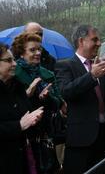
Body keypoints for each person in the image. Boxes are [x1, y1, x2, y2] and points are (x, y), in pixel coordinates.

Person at [55, 24, 105, 174]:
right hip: (81, 141)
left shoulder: (101, 64)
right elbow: (66, 91)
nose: (99, 43)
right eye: (94, 39)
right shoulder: (65, 65)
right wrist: (91, 76)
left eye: (99, 39)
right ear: (81, 41)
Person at [11, 32, 65, 174]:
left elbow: (59, 102)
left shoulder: (47, 74)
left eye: (39, 49)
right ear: (21, 53)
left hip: (45, 134)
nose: (38, 53)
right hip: (22, 136)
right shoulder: (12, 73)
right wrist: (29, 93)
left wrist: (47, 98)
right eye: (32, 50)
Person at [0, 43, 43, 174]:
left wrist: (34, 117)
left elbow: (26, 113)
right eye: (8, 60)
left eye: (13, 59)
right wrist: (19, 125)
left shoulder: (17, 85)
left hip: (25, 157)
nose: (14, 64)